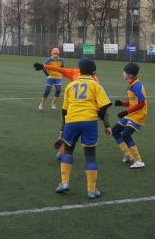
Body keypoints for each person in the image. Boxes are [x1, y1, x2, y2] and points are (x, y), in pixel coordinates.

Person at [55, 58, 112, 200]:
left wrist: (62, 129)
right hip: (89, 122)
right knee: (90, 156)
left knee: (68, 151)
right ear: (94, 72)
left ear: (79, 70)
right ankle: (91, 190)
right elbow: (104, 106)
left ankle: (64, 183)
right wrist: (106, 124)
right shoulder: (96, 85)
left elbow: (64, 110)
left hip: (71, 122)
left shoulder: (70, 86)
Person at [112, 62, 148, 169]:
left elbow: (141, 103)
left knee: (126, 135)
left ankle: (138, 161)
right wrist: (122, 104)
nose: (123, 73)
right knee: (115, 131)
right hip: (132, 114)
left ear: (130, 75)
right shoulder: (131, 84)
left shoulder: (137, 85)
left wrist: (126, 112)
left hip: (139, 115)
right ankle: (128, 154)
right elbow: (133, 102)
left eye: (124, 72)